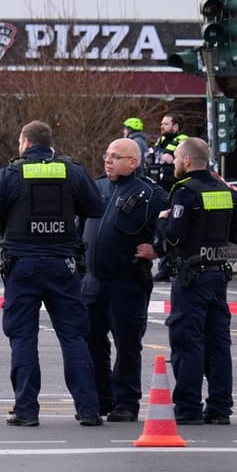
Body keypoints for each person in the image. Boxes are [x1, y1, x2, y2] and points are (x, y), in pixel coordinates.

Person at [0, 120, 106, 427]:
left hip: (23, 266)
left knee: (23, 337)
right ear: (49, 143)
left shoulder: (10, 174)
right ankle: (88, 409)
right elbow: (96, 207)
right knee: (73, 337)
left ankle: (26, 410)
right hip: (64, 265)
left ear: (25, 143)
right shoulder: (72, 170)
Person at [156, 137, 237, 425]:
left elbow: (176, 236)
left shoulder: (185, 191)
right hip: (218, 275)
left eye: (178, 158)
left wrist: (162, 220)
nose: (175, 163)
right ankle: (220, 408)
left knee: (187, 342)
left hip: (191, 276)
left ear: (187, 161)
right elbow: (236, 235)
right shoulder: (222, 189)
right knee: (218, 344)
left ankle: (188, 408)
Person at [82, 137, 167, 422]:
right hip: (92, 281)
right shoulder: (98, 187)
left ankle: (126, 402)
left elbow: (173, 229)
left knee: (127, 344)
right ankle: (101, 397)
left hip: (127, 281)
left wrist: (159, 249)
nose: (108, 160)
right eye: (107, 155)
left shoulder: (150, 194)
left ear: (133, 162)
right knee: (93, 341)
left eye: (115, 156)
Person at [143, 113, 185, 186]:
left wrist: (172, 161)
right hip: (157, 183)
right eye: (161, 124)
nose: (162, 127)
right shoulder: (160, 141)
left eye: (166, 124)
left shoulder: (183, 142)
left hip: (173, 183)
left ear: (175, 127)